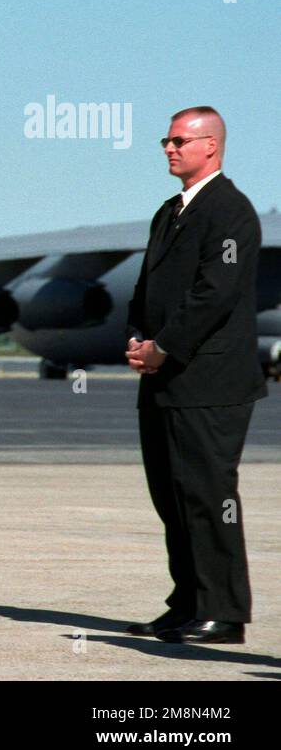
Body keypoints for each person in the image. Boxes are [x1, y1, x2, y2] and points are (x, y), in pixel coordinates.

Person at [125, 106, 262, 645]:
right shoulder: (170, 211)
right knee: (172, 496)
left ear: (212, 145)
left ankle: (224, 613)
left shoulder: (230, 212)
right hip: (163, 380)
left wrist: (165, 345)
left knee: (208, 496)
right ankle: (186, 604)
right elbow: (146, 288)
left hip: (209, 384)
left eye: (180, 140)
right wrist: (138, 338)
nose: (169, 148)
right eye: (166, 140)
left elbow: (216, 293)